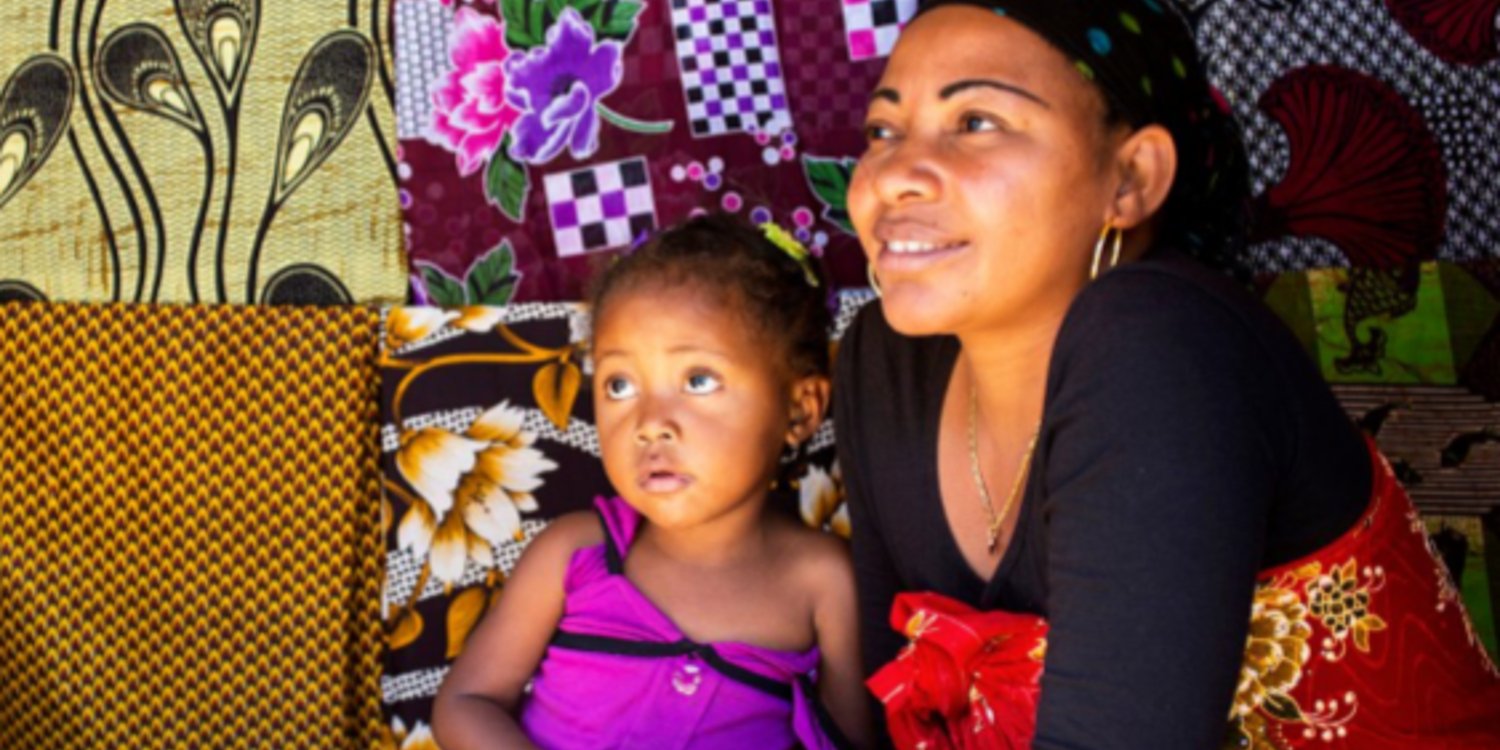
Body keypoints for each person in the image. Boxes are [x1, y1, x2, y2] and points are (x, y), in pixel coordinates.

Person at [834, 1, 1500, 748]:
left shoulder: (1161, 342)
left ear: (1131, 179)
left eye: (976, 122)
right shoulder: (883, 363)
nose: (894, 177)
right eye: (883, 132)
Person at [433, 214, 870, 749]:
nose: (649, 424)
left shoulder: (823, 583)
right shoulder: (576, 553)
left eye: (698, 380)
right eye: (619, 385)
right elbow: (466, 705)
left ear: (800, 412)